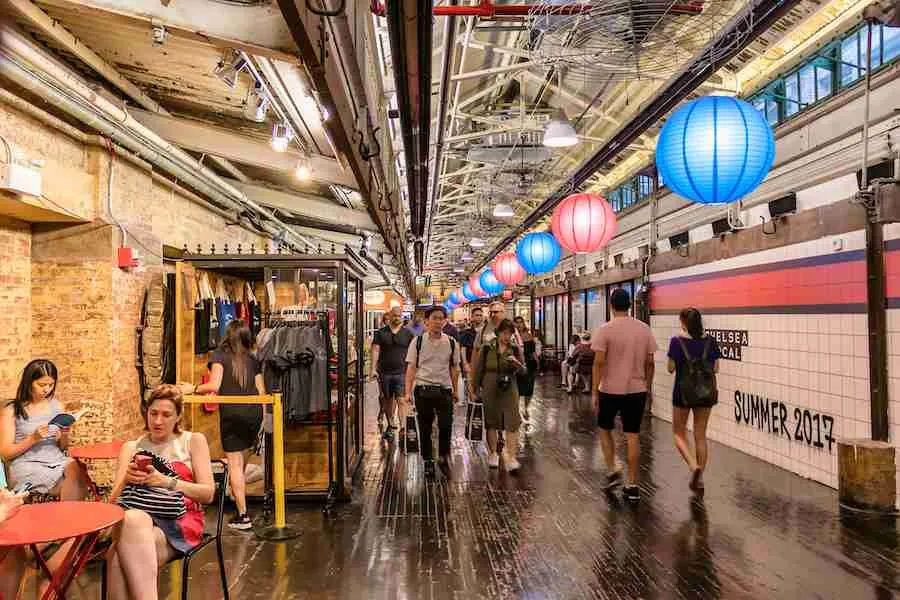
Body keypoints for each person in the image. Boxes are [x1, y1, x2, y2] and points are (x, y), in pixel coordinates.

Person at [106, 384, 214, 600]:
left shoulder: (192, 441)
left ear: (178, 416)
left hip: (179, 521)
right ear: (145, 412)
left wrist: (168, 482)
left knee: (117, 557)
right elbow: (112, 502)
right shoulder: (131, 447)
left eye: (166, 415)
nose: (157, 421)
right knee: (133, 519)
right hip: (137, 520)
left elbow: (208, 494)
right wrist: (126, 479)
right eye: (153, 413)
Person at [182, 320, 263, 530]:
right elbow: (261, 392)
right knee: (241, 462)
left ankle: (243, 515)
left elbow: (214, 385)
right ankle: (238, 498)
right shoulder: (253, 359)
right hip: (253, 413)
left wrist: (192, 388)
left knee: (234, 465)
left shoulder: (220, 355)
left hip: (233, 414)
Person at [591, 288, 658, 502]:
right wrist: (647, 387)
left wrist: (594, 390)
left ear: (611, 306)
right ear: (630, 305)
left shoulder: (605, 330)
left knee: (604, 429)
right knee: (632, 436)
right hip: (636, 390)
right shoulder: (644, 329)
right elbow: (650, 363)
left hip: (609, 389)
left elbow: (599, 362)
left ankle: (612, 468)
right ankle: (632, 484)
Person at [0, 359, 90, 500]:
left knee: (75, 467)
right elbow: (5, 454)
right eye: (41, 384)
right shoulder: (12, 409)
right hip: (27, 464)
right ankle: (70, 517)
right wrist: (33, 439)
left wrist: (65, 434)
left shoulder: (56, 406)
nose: (47, 389)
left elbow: (63, 447)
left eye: (51, 384)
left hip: (56, 460)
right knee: (72, 486)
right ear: (28, 382)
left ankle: (69, 517)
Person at [402, 305, 461, 480]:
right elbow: (411, 368)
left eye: (441, 318)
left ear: (445, 321)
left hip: (444, 390)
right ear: (426, 322)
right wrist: (407, 392)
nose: (437, 321)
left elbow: (454, 368)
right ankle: (427, 460)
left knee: (446, 426)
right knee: (425, 427)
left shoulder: (451, 342)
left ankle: (443, 457)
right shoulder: (417, 341)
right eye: (434, 318)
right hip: (423, 390)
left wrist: (456, 390)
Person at [667, 308, 721, 494]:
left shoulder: (676, 341)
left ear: (684, 323)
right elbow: (716, 369)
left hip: (682, 394)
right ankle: (700, 480)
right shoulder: (710, 341)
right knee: (700, 435)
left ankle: (693, 466)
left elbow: (670, 368)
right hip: (705, 394)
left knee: (678, 433)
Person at [474, 319, 527, 471]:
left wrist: (516, 363)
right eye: (504, 333)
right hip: (490, 385)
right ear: (498, 333)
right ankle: (493, 454)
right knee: (491, 421)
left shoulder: (515, 348)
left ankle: (511, 457)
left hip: (509, 387)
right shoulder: (487, 347)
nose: (507, 336)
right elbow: (479, 370)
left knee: (512, 422)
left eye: (510, 333)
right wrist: (475, 389)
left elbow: (524, 371)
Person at [370, 306, 414, 441]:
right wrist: (372, 368)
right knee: (388, 400)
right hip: (384, 372)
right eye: (394, 316)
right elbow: (376, 350)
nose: (396, 318)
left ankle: (402, 427)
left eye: (399, 316)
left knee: (401, 400)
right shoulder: (381, 333)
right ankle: (390, 423)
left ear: (402, 317)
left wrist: (414, 371)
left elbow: (413, 353)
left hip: (402, 372)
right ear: (389, 316)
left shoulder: (408, 334)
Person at [469, 301, 521, 397]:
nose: (493, 315)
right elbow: (475, 355)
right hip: (488, 378)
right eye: (491, 312)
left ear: (504, 313)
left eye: (496, 312)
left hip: (508, 378)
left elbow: (520, 353)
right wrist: (473, 381)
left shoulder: (513, 331)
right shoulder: (483, 331)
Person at [513, 316, 539, 423]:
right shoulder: (512, 336)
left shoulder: (529, 336)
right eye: (517, 322)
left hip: (529, 363)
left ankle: (526, 408)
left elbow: (533, 352)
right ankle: (517, 409)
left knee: (529, 389)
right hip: (517, 364)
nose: (519, 324)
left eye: (521, 322)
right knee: (517, 389)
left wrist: (537, 361)